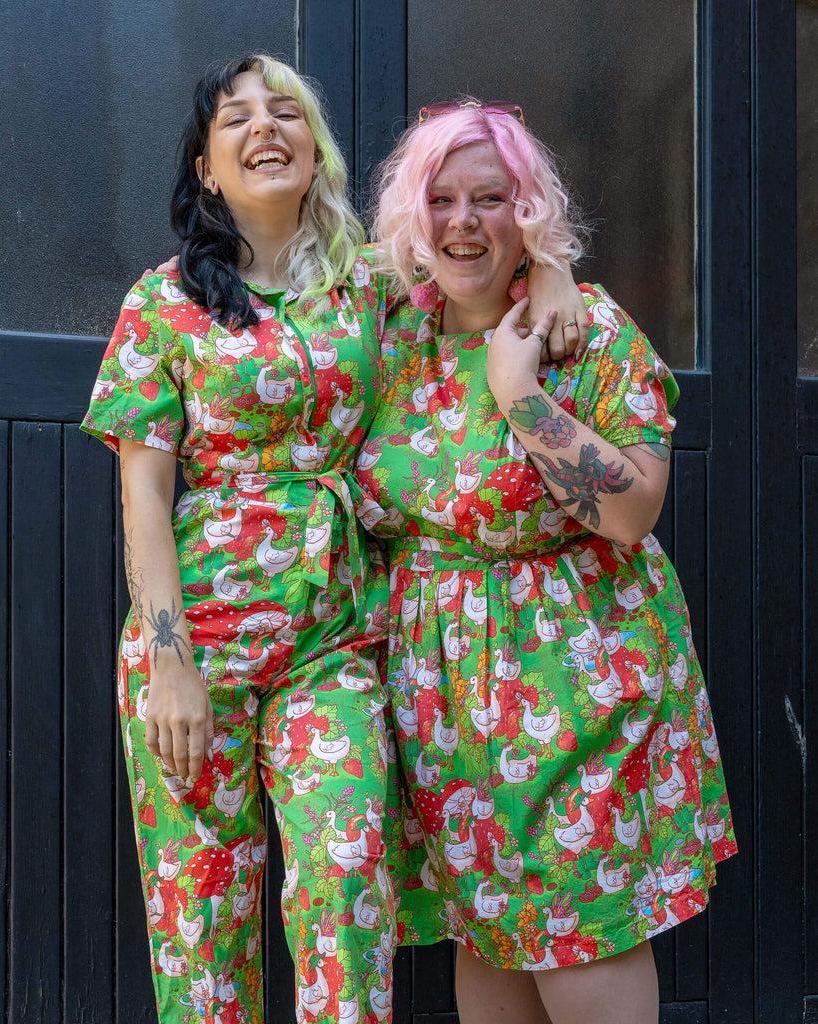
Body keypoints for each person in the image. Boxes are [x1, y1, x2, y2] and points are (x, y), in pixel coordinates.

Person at [82, 57, 587, 1024]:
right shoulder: (162, 304)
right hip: (201, 640)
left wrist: (553, 267)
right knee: (200, 917)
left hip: (336, 636)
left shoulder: (371, 283)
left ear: (315, 150)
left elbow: (482, 257)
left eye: (287, 111)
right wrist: (168, 661)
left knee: (349, 881)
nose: (265, 127)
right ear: (206, 169)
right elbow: (143, 493)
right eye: (236, 118)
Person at [357, 102, 737, 1024]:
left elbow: (632, 511)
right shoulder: (392, 339)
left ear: (526, 211)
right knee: (486, 935)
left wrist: (518, 391)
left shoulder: (586, 331)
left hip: (573, 690)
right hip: (443, 707)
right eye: (440, 199)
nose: (462, 221)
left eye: (490, 198)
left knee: (579, 936)